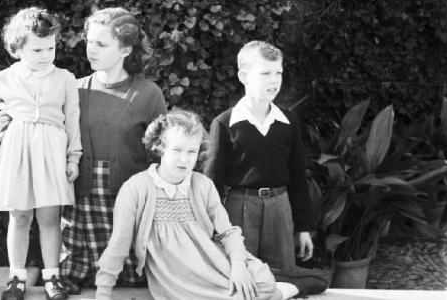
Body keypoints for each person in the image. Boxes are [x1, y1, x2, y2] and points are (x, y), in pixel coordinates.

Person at [0, 7, 167, 294]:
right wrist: (6, 129)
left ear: (125, 50)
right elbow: (38, 131)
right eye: (89, 41)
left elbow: (161, 152)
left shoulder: (148, 94)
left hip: (125, 206)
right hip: (79, 206)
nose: (91, 50)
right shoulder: (72, 88)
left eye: (102, 44)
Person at [96, 109, 321, 300]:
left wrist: (239, 267)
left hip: (212, 261)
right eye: (177, 150)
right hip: (177, 277)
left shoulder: (201, 184)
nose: (185, 159)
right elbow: (119, 244)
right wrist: (103, 293)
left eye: (191, 152)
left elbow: (227, 231)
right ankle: (287, 289)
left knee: (259, 283)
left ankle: (285, 285)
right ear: (160, 147)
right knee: (241, 295)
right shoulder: (136, 188)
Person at [0, 7, 80, 300]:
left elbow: (72, 119)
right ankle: (16, 277)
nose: (46, 55)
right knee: (20, 217)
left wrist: (73, 157)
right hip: (17, 154)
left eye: (50, 47)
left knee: (50, 217)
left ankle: (53, 277)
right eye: (37, 49)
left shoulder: (65, 78)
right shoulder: (2, 78)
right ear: (17, 48)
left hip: (51, 153)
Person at [204, 40, 328, 293]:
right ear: (244, 76)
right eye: (265, 73)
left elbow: (297, 176)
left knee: (281, 278)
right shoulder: (225, 123)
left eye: (278, 72)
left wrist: (303, 227)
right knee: (242, 279)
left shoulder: (288, 122)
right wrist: (211, 229)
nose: (274, 80)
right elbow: (212, 181)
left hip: (280, 208)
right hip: (240, 208)